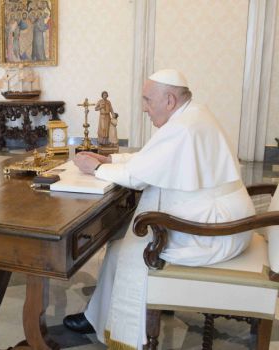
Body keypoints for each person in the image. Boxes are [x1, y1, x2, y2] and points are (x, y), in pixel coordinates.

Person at [63, 69, 255, 349]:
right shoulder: (193, 114)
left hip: (214, 232)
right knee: (125, 241)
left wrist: (99, 167)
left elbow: (137, 176)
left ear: (169, 100)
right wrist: (111, 157)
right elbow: (152, 159)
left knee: (124, 248)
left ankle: (100, 319)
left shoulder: (183, 127)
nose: (144, 108)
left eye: (147, 100)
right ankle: (100, 313)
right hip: (224, 218)